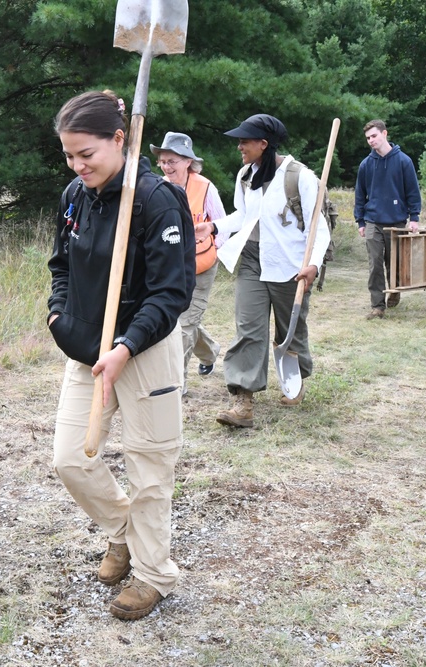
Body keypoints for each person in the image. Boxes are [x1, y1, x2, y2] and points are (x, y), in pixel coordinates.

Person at [47, 90, 195, 621]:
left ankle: (155, 576)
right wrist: (57, 316)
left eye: (86, 154)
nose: (77, 165)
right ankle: (121, 534)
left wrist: (128, 344)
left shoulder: (157, 200)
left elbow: (171, 292)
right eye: (69, 155)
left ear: (119, 139)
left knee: (149, 469)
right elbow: (60, 267)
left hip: (146, 350)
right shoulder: (75, 194)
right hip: (86, 351)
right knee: (70, 458)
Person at [213, 114, 330, 428]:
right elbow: (243, 216)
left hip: (290, 265)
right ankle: (243, 399)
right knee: (248, 329)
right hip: (252, 258)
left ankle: (295, 378)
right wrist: (212, 227)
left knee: (289, 329)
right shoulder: (245, 175)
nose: (239, 146)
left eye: (245, 141)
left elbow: (320, 229)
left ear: (263, 144)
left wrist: (313, 264)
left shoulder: (300, 177)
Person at [150, 131, 226, 389]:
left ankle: (176, 385)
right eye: (162, 161)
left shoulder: (205, 187)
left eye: (172, 161)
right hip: (170, 266)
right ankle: (209, 351)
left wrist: (220, 254)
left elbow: (222, 225)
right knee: (180, 320)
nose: (166, 166)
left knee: (183, 326)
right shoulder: (157, 188)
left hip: (201, 265)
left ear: (187, 161)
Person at [353, 119, 422, 319]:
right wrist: (360, 221)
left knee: (395, 264)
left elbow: (412, 192)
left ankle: (394, 292)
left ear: (384, 134)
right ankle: (377, 306)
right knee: (375, 264)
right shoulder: (366, 164)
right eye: (367, 138)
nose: (371, 141)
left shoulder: (403, 161)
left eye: (374, 136)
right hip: (373, 220)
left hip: (397, 221)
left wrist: (414, 218)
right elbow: (360, 194)